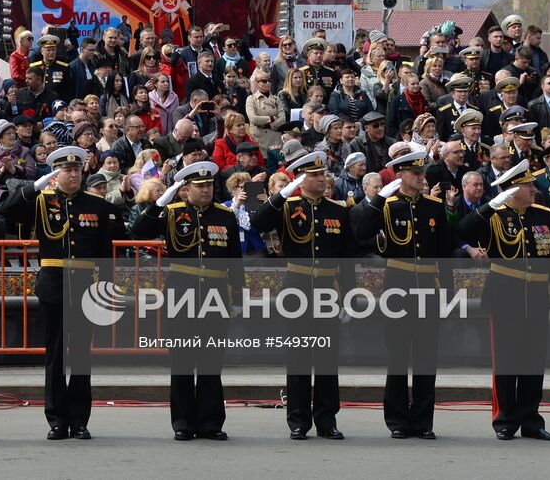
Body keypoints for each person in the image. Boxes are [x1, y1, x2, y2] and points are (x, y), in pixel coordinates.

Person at [0, 146, 117, 440]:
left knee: (80, 356)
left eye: (77, 170)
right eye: (68, 170)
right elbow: (7, 211)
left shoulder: (97, 205)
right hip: (53, 285)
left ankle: (78, 419)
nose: (74, 174)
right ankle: (56, 419)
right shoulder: (41, 201)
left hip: (85, 286)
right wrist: (33, 186)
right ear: (56, 174)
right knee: (54, 355)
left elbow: (105, 255)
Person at [132, 161, 244, 441]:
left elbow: (234, 260)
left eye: (209, 185)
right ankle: (183, 422)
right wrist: (160, 201)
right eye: (200, 186)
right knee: (182, 361)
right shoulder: (171, 213)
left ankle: (211, 422)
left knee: (211, 362)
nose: (206, 190)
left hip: (215, 294)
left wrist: (239, 296)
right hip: (182, 294)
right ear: (185, 189)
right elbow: (139, 230)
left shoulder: (225, 215)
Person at [457, 161, 550, 441]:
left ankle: (531, 420)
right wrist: (489, 206)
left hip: (539, 296)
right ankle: (505, 419)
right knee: (506, 362)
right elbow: (462, 231)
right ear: (513, 189)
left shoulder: (543, 214)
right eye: (528, 186)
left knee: (533, 361)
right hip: (505, 296)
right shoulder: (494, 215)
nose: (533, 190)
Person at [251, 151, 355, 440]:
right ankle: (298, 420)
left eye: (323, 174)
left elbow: (346, 258)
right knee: (297, 357)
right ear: (301, 179)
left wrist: (348, 297)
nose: (322, 179)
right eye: (315, 175)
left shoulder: (338, 210)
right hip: (297, 288)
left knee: (326, 359)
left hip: (326, 290)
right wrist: (283, 193)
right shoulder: (287, 206)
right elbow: (258, 222)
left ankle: (326, 419)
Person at [353, 148, 452, 439]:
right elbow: (362, 233)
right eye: (415, 173)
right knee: (397, 356)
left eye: (423, 172)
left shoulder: (433, 207)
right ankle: (397, 419)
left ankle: (422, 421)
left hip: (428, 290)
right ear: (401, 175)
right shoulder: (387, 205)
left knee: (426, 358)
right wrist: (380, 197)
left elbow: (444, 253)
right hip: (398, 288)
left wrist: (447, 293)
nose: (422, 178)